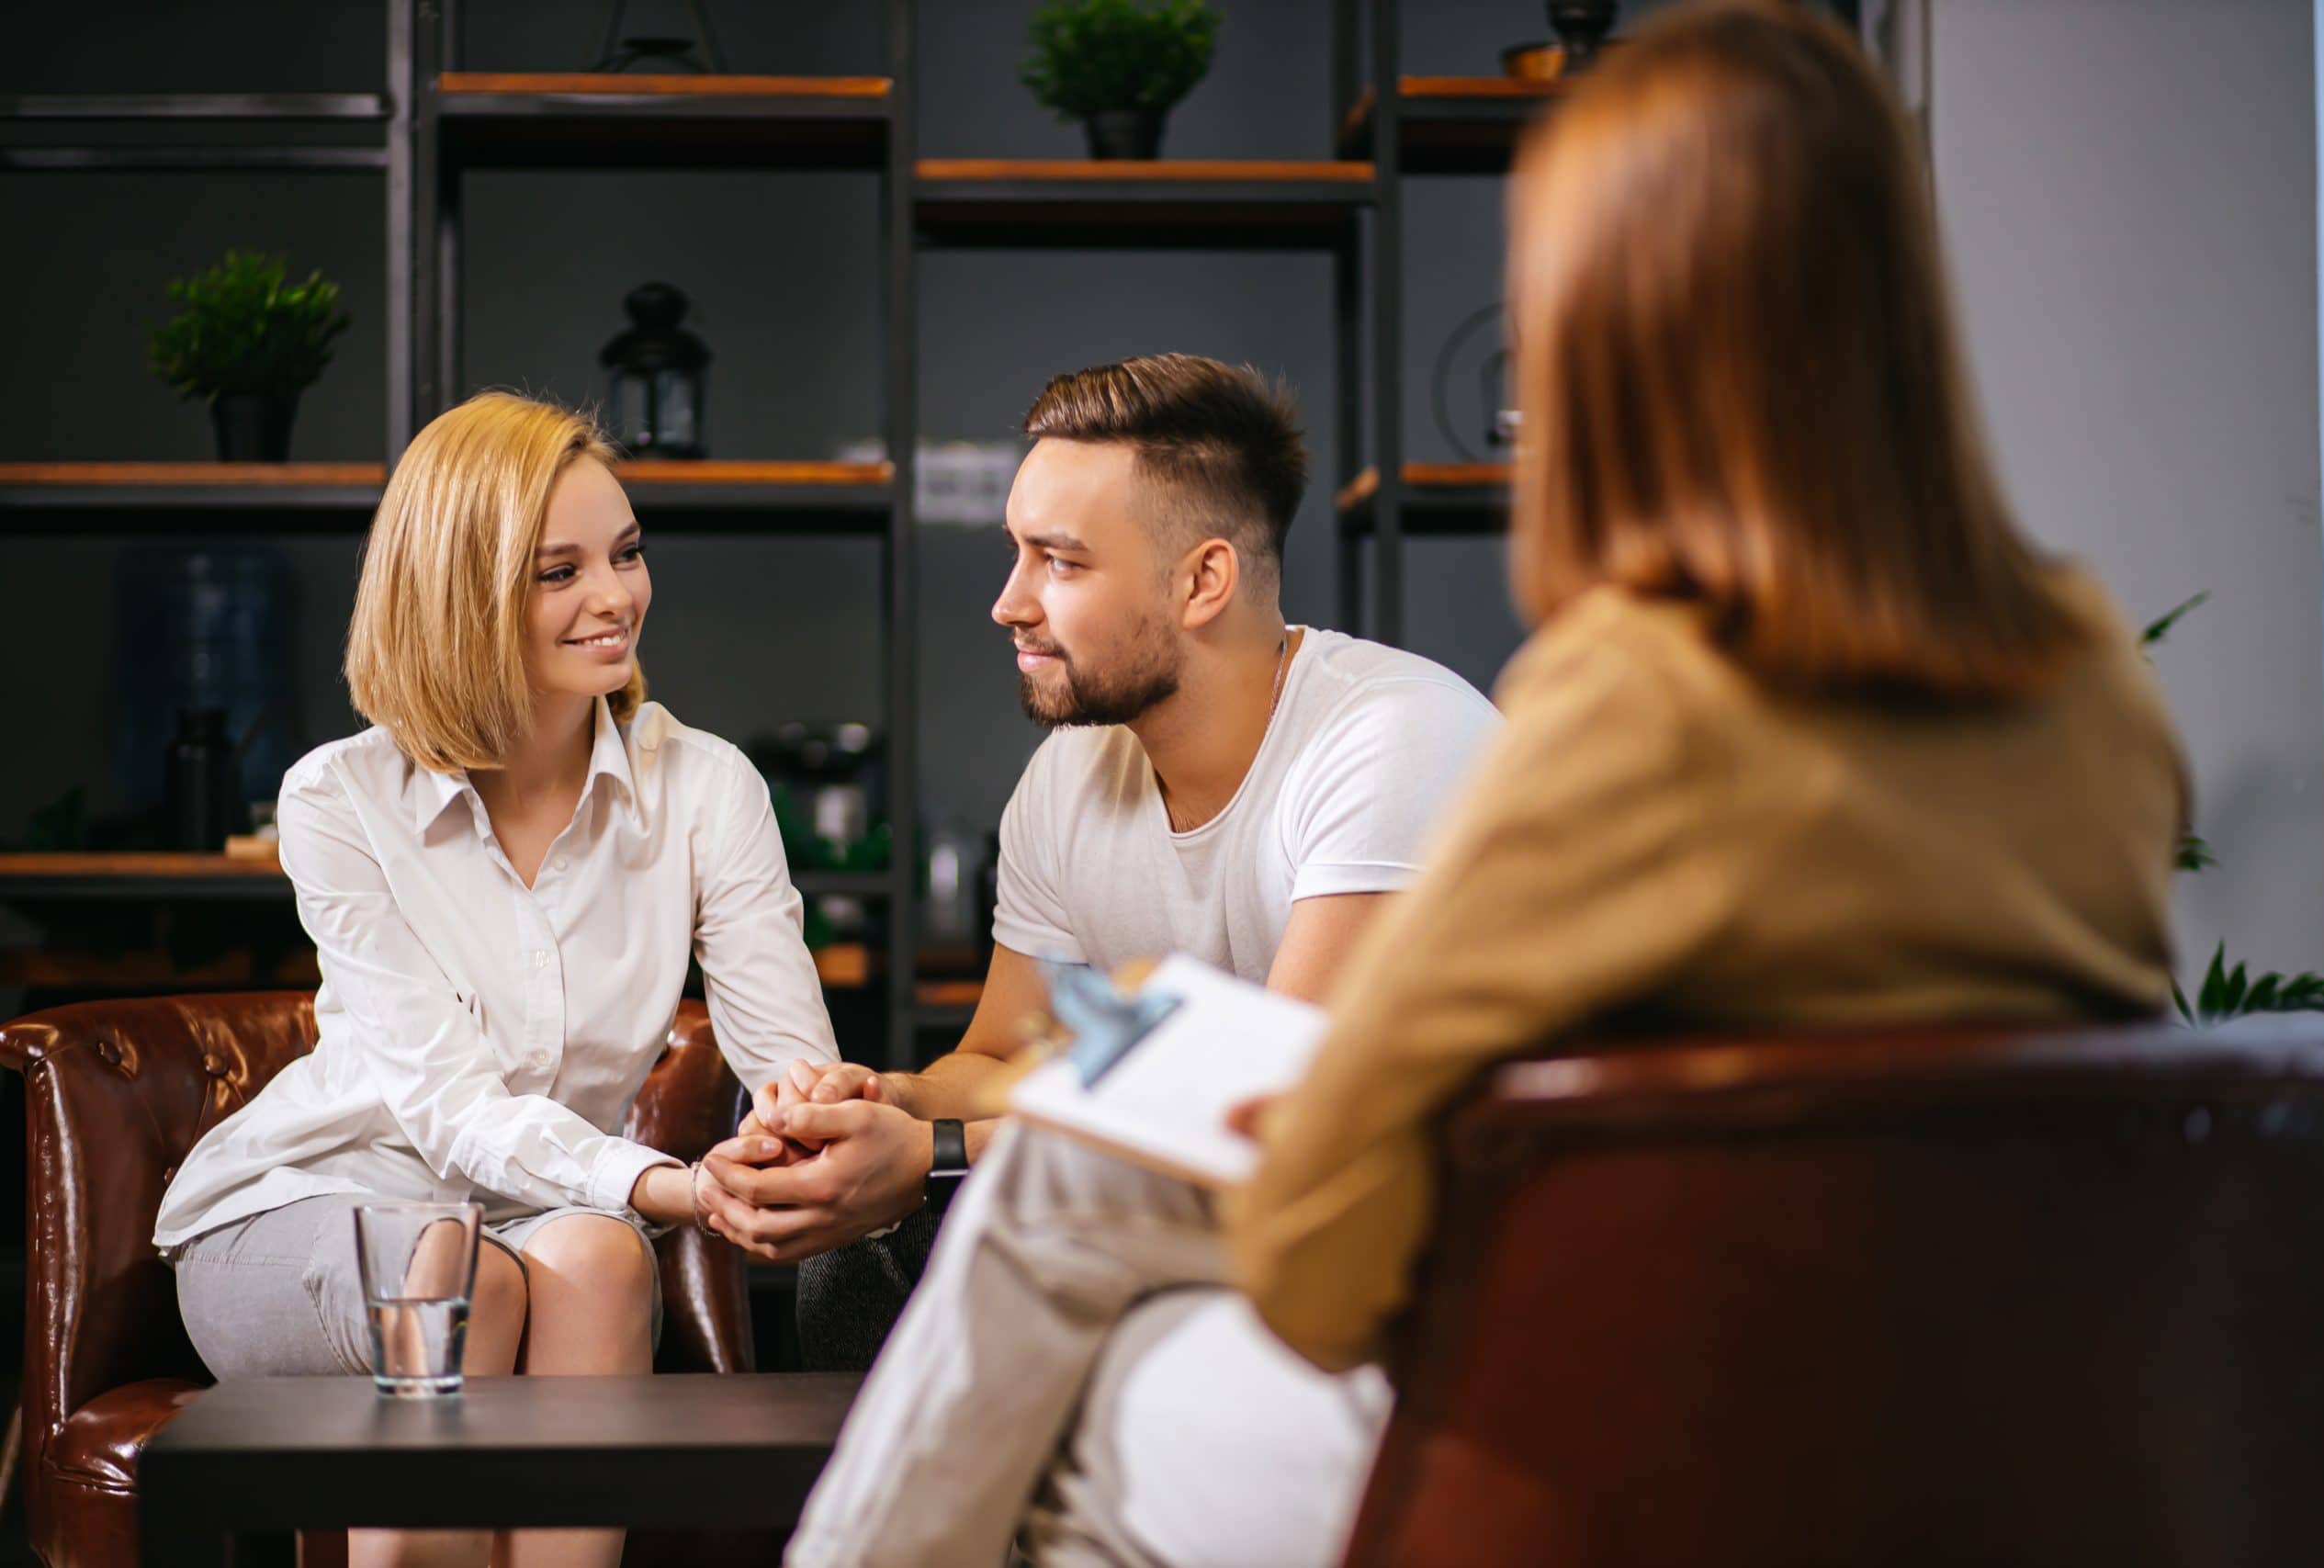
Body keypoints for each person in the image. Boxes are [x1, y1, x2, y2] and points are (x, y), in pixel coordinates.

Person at [784, 5, 2189, 1565]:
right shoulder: (2087, 683)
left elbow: (1328, 1246)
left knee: (1067, 1247)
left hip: (1648, 1438)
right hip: (1958, 1415)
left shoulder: (1625, 707)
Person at [690, 352, 1499, 1385]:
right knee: (863, 1253)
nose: (1008, 603)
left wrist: (936, 1155)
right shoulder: (1070, 777)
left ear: (1203, 579)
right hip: (1184, 1208)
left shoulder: (1392, 739)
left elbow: (1279, 1106)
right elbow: (996, 1063)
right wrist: (887, 1103)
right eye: (1016, 554)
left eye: (1059, 562)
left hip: (1393, 1232)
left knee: (1008, 1225)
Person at [153, 391, 837, 1568]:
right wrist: (677, 1187)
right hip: (308, 1214)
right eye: (556, 572)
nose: (614, 597)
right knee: (460, 1270)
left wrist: (793, 1131)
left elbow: (792, 1062)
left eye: (624, 554)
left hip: (539, 1213)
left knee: (597, 1254)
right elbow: (452, 1111)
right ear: (462, 595)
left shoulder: (709, 786)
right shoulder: (338, 797)